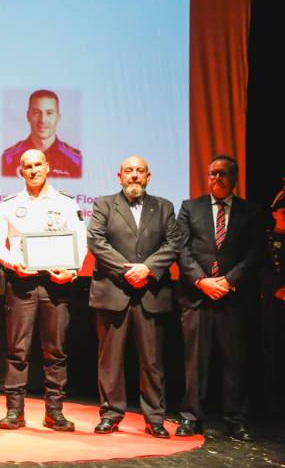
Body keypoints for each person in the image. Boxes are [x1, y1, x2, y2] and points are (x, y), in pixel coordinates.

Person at [0, 149, 87, 430]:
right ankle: (14, 411)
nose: (33, 170)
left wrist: (72, 271)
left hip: (56, 283)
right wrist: (13, 263)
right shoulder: (10, 204)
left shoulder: (65, 202)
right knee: (17, 350)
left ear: (47, 167)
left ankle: (54, 411)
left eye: (38, 165)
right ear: (21, 171)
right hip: (22, 282)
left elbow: (81, 239)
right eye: (28, 166)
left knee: (55, 351)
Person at [87, 155, 181, 438]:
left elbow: (174, 243)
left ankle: (154, 418)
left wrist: (148, 269)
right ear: (119, 176)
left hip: (150, 293)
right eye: (129, 171)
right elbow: (96, 240)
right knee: (110, 360)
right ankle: (110, 414)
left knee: (152, 362)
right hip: (113, 290)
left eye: (140, 171)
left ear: (148, 177)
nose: (134, 175)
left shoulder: (163, 207)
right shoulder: (104, 204)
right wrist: (127, 270)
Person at [176, 155, 264, 441]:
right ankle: (191, 418)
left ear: (234, 178)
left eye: (223, 173)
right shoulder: (190, 207)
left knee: (235, 362)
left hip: (233, 298)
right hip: (197, 297)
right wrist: (202, 281)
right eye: (212, 173)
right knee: (195, 362)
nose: (216, 178)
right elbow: (182, 249)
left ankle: (236, 420)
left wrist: (228, 281)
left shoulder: (250, 211)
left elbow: (256, 252)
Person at [1, 90, 82, 178]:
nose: (43, 120)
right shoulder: (8, 159)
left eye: (49, 113)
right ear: (28, 116)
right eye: (37, 112)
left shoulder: (76, 161)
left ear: (58, 118)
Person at [260, 192, 285, 416]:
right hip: (272, 299)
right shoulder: (266, 239)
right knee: (271, 346)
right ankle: (271, 400)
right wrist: (275, 289)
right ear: (275, 214)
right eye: (283, 212)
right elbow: (261, 269)